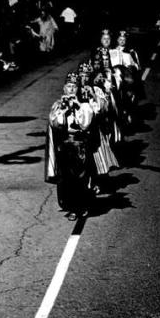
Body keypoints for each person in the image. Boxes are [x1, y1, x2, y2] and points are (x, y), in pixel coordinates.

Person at [45, 72, 98, 213]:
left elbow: (85, 124)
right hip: (64, 146)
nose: (72, 89)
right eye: (69, 86)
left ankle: (82, 205)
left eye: (74, 86)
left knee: (81, 177)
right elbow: (55, 123)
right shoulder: (58, 105)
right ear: (64, 88)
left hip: (80, 145)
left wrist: (79, 106)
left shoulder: (83, 104)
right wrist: (65, 110)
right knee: (66, 179)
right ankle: (71, 207)